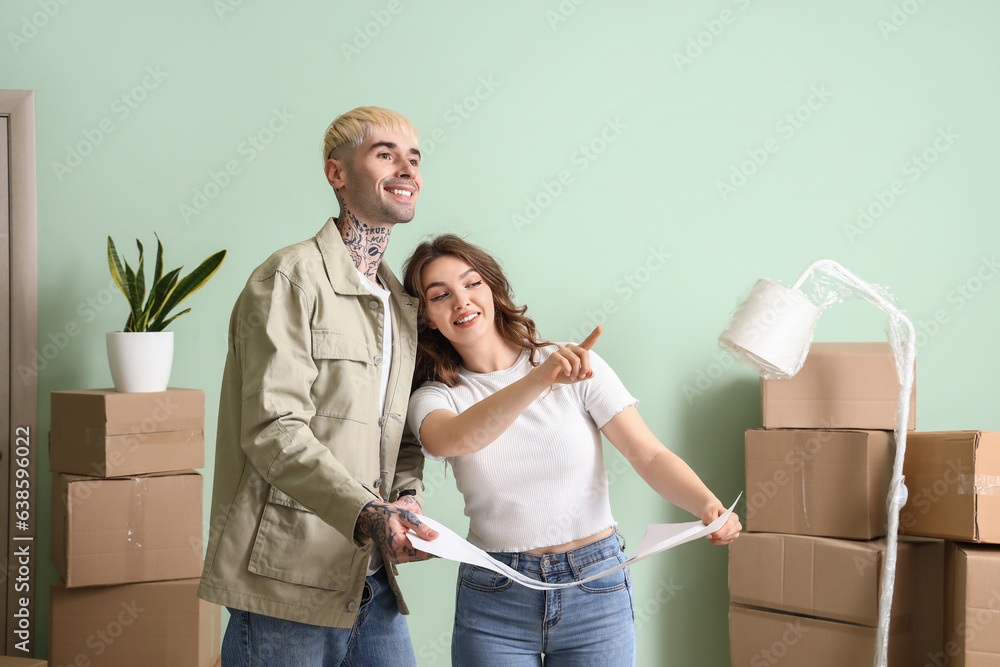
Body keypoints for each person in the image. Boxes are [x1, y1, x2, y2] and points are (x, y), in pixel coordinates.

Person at [402, 234, 742, 666]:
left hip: (595, 584)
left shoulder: (575, 365)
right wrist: (539, 379)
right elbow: (452, 439)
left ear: (491, 289)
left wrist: (709, 505)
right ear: (428, 317)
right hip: (495, 595)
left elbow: (648, 454)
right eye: (440, 295)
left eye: (471, 284)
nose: (461, 301)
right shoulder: (435, 397)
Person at [197, 106, 439, 667]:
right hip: (288, 580)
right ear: (337, 174)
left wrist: (406, 498)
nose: (407, 169)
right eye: (385, 154)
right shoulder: (288, 278)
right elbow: (272, 429)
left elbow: (400, 432)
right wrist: (367, 512)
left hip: (371, 580)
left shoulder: (400, 303)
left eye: (415, 158)